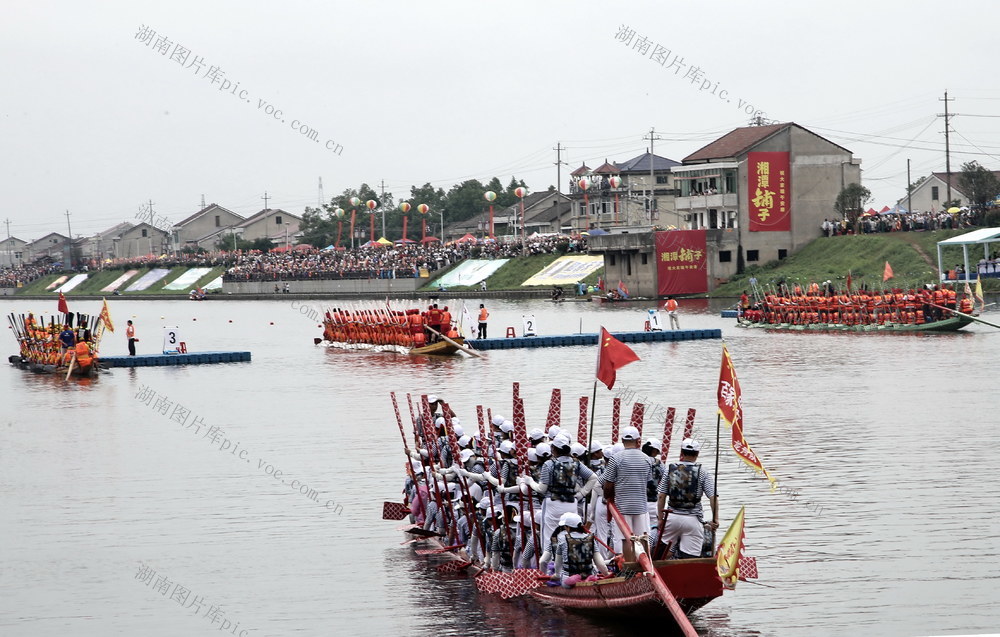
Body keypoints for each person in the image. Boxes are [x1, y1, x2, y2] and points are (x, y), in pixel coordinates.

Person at [656, 438, 718, 559]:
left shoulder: (670, 469)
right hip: (693, 520)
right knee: (690, 558)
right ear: (697, 454)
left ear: (682, 453)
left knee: (663, 554)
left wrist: (660, 518)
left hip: (671, 517)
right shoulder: (703, 472)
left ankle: (659, 572)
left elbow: (661, 495)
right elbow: (713, 497)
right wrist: (715, 519)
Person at [599, 426, 655, 555]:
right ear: (638, 440)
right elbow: (648, 482)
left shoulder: (615, 458)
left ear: (622, 440)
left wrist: (608, 498)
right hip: (641, 506)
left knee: (626, 539)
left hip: (622, 507)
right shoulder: (646, 459)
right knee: (643, 539)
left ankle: (629, 567)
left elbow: (608, 485)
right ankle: (646, 565)